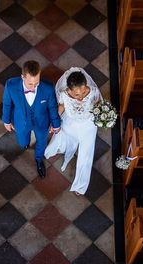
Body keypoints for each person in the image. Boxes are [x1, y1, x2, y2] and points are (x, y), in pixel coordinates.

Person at [44, 67, 102, 195]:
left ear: (86, 86)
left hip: (88, 126)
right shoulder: (64, 95)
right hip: (70, 124)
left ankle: (80, 185)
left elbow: (99, 106)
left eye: (83, 92)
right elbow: (62, 107)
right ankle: (61, 147)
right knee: (64, 137)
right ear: (69, 90)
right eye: (76, 94)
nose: (80, 97)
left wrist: (104, 116)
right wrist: (54, 122)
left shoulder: (93, 92)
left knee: (86, 156)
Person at [2, 60, 61, 179]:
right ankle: (25, 144)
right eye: (30, 84)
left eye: (37, 83)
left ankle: (39, 160)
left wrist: (56, 124)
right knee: (23, 140)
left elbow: (52, 107)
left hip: (42, 123)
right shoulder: (11, 85)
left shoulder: (48, 88)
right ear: (22, 77)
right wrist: (6, 121)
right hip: (21, 122)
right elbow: (7, 104)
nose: (34, 87)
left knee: (42, 141)